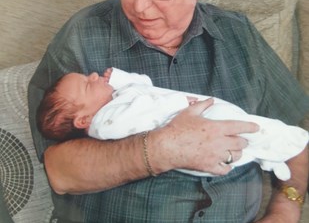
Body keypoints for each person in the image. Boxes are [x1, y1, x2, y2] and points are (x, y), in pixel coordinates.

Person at [28, 0, 309, 223]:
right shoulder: (83, 36)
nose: (140, 5)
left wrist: (284, 212)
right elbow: (60, 171)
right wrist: (163, 148)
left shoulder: (238, 36)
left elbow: (294, 139)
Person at [37, 67, 309, 182]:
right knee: (250, 127)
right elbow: (147, 116)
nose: (94, 74)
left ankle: (269, 155)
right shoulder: (107, 123)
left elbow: (144, 84)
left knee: (244, 128)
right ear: (83, 120)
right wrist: (178, 121)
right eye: (87, 82)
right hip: (196, 139)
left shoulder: (114, 102)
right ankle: (284, 143)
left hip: (201, 119)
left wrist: (118, 79)